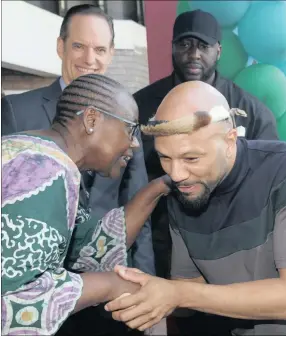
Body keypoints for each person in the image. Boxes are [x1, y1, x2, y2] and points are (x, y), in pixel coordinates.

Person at [105, 81, 286, 336]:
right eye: (165, 157)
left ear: (230, 140)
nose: (176, 174)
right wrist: (146, 293)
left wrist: (178, 294)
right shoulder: (186, 191)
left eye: (191, 158)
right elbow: (189, 292)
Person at [1, 74, 171, 336]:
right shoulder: (43, 172)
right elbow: (13, 301)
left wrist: (162, 186)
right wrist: (109, 285)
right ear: (91, 120)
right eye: (130, 129)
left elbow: (93, 244)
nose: (134, 143)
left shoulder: (38, 155)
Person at [1, 3, 154, 277]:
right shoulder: (16, 111)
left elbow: (136, 211)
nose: (89, 59)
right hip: (30, 282)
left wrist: (142, 282)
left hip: (108, 280)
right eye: (79, 46)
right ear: (61, 47)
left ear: (111, 54)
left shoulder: (127, 121)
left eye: (99, 50)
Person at [133, 9, 279, 280]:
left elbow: (267, 181)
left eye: (203, 46)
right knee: (179, 313)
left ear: (219, 51)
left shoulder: (250, 110)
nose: (193, 54)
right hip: (163, 238)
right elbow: (129, 176)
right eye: (184, 44)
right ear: (172, 48)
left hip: (234, 239)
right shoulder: (141, 106)